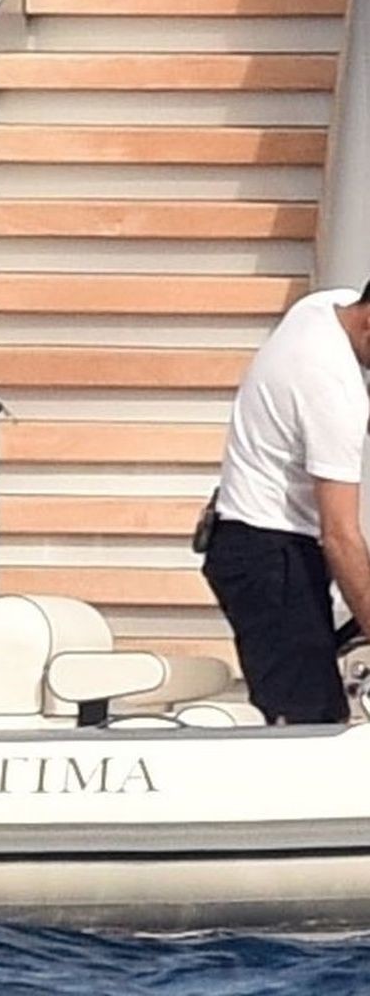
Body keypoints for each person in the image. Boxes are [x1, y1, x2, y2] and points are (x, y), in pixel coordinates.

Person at [203, 282, 370, 725]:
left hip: (258, 540)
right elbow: (340, 536)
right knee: (309, 721)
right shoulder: (332, 388)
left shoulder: (323, 307)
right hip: (268, 557)